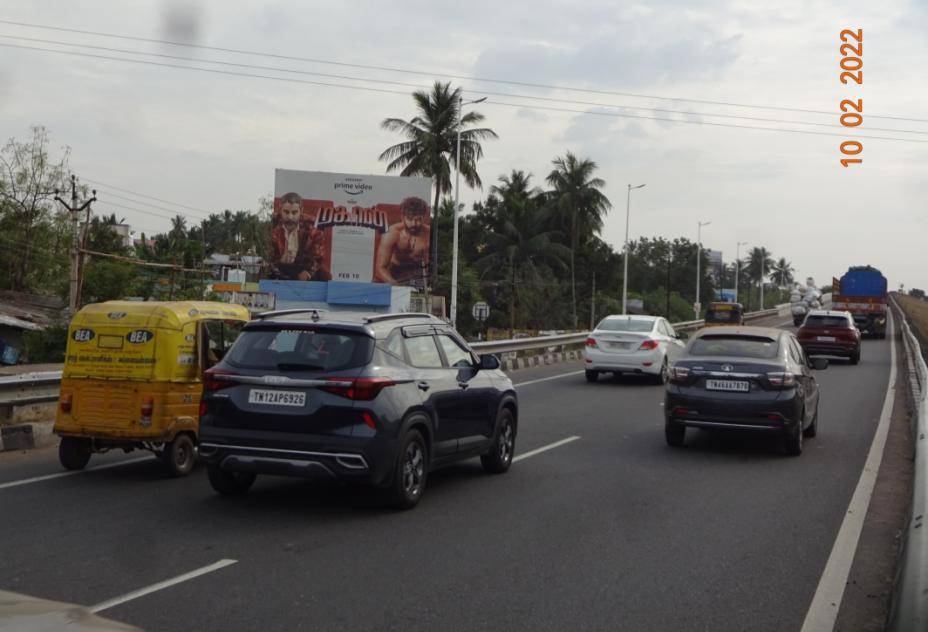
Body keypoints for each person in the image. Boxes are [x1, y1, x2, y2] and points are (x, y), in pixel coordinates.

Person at [271, 192, 330, 281]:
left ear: (301, 211)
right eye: (286, 212)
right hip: (280, 268)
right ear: (280, 210)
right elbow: (267, 256)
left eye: (294, 212)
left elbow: (318, 258)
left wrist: (308, 273)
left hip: (303, 268)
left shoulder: (313, 227)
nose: (290, 217)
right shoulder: (271, 226)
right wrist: (279, 262)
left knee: (325, 275)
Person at [374, 196, 430, 285]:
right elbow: (380, 268)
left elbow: (429, 268)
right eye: (410, 219)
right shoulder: (392, 233)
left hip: (415, 275)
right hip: (392, 273)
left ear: (423, 217)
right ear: (403, 217)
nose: (414, 224)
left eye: (418, 219)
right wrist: (398, 288)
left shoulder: (428, 234)